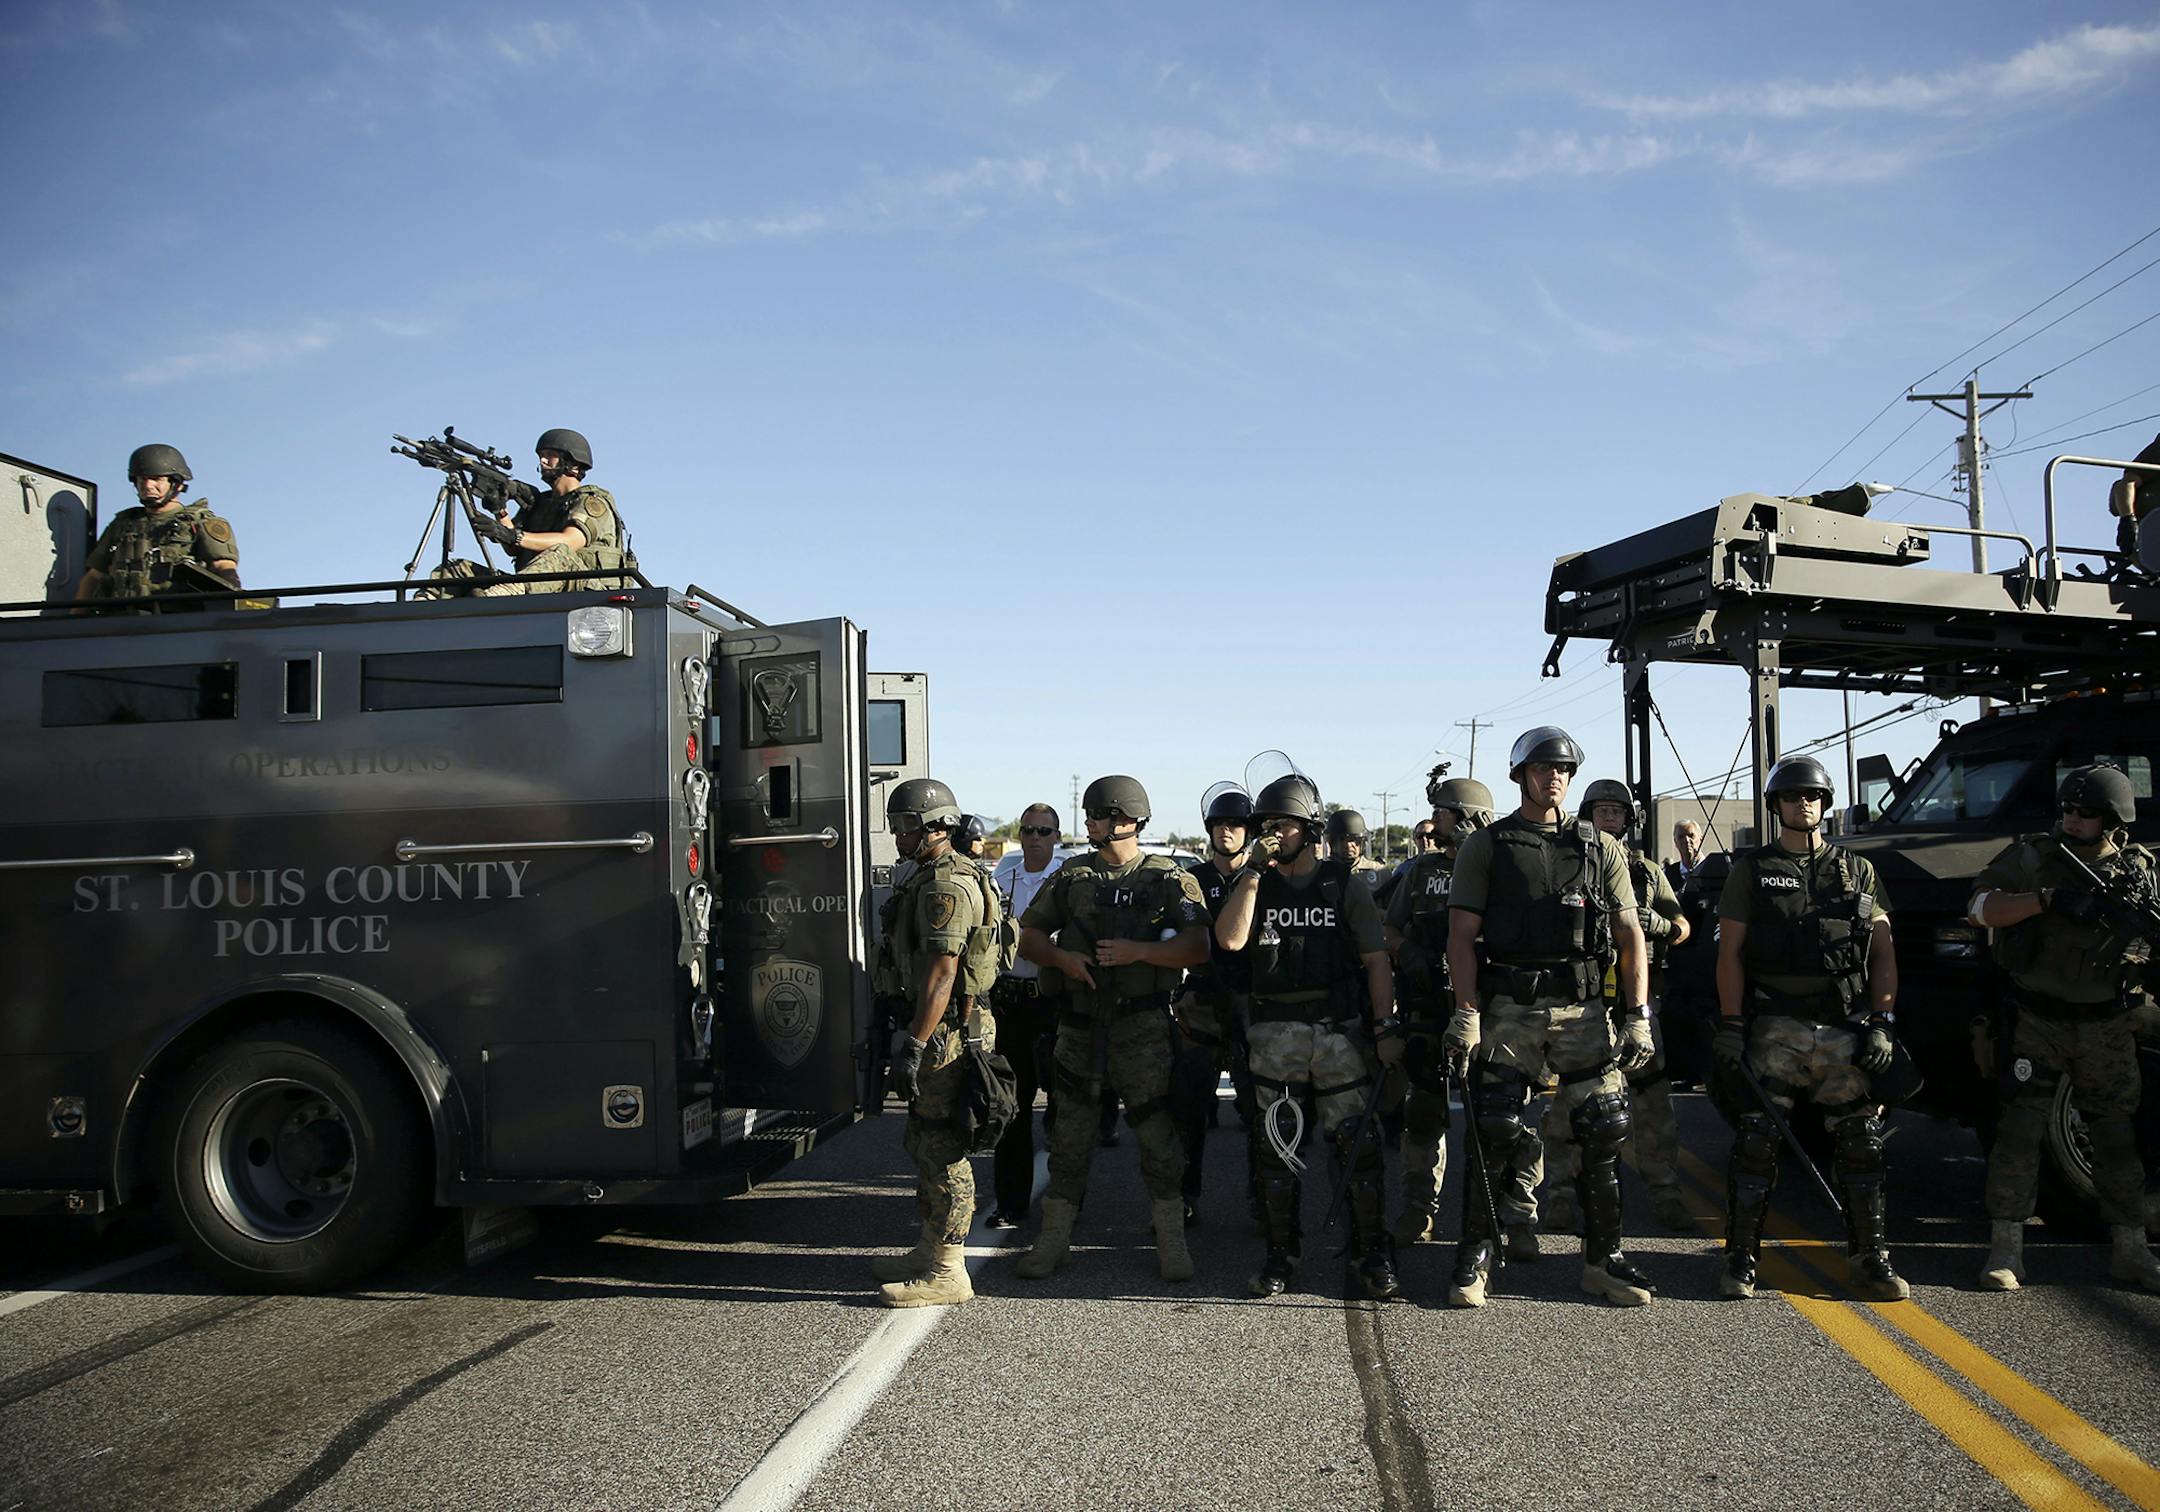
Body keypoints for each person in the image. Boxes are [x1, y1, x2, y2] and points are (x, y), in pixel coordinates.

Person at [1444, 726, 1656, 1309]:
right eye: (1543, 768)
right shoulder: (1488, 845)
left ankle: (1602, 1260)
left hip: (1584, 1008)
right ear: (1521, 775)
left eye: (1563, 768)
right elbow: (1461, 936)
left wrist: (1637, 1014)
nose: (1554, 776)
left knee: (1606, 1128)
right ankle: (1477, 1253)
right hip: (1511, 1007)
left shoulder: (1600, 848)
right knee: (1492, 1128)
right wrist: (1466, 1014)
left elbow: (1629, 933)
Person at [1714, 754, 1907, 1302]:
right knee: (1757, 1142)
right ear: (1776, 805)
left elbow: (1884, 951)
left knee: (1862, 1144)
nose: (1806, 804)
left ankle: (1870, 1259)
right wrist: (1731, 1022)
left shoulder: (1857, 870)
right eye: (1794, 796)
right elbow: (1729, 953)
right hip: (1775, 1024)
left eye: (1815, 797)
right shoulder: (1751, 871)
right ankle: (1741, 1258)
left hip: (1842, 1025)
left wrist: (1882, 1020)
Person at [1968, 764, 2160, 1293]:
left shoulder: (2140, 871)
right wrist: (2046, 899)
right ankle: (2006, 1250)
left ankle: (2130, 1249)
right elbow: (1980, 907)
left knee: (2117, 1138)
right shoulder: (2035, 857)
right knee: (2019, 1134)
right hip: (2038, 1020)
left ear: (2115, 819)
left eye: (2086, 812)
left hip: (2108, 1025)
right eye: (2068, 809)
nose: (2073, 819)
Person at [1014, 776, 1211, 1283]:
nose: (1089, 824)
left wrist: (1138, 952)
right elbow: (1027, 936)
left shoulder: (1170, 879)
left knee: (1156, 1135)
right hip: (1079, 1027)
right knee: (1068, 1136)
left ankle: (1171, 1239)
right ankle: (1054, 1241)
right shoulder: (1073, 877)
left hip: (1142, 1026)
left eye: (1097, 815)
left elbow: (1198, 948)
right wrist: (1063, 958)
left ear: (1125, 820)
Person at [1216, 772, 1404, 1300]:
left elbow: (1375, 960)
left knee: (1357, 1147)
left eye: (1285, 825)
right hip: (1274, 1035)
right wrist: (1251, 874)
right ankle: (1281, 1254)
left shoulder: (1341, 883)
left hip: (1337, 1033)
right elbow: (1230, 941)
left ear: (1309, 828)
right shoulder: (1254, 882)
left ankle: (1371, 1251)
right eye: (1266, 826)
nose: (1274, 834)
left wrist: (1386, 1024)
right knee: (1277, 1148)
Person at [1537, 780, 1694, 1232]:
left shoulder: (1647, 872)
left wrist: (1657, 924)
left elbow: (1683, 927)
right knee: (1570, 1103)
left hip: (1636, 1003)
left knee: (1652, 1103)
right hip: (1583, 1004)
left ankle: (1665, 1194)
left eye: (1616, 812)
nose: (1609, 819)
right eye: (1601, 811)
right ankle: (1562, 1195)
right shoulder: (1570, 863)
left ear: (1630, 820)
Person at [868, 777, 1001, 1308]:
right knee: (923, 1141)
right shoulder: (925, 876)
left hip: (947, 1031)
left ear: (936, 828)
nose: (898, 835)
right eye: (897, 825)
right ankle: (928, 1250)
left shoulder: (946, 884)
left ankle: (950, 1269)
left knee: (945, 1148)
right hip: (934, 1026)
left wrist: (916, 1042)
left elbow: (944, 974)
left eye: (906, 826)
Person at [1382, 773, 1494, 1246]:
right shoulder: (1420, 872)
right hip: (1425, 1007)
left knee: (1499, 1117)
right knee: (1424, 1111)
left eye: (1444, 813)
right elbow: (1386, 929)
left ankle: (1508, 1213)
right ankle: (1417, 1207)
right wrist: (1406, 951)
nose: (1435, 821)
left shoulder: (1499, 864)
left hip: (1484, 1011)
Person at [1176, 785, 1260, 1225]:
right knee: (1189, 1110)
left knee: (1260, 1110)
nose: (1226, 831)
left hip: (1252, 1003)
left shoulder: (1265, 877)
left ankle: (1262, 1199)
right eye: (1219, 824)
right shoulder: (1193, 880)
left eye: (1236, 824)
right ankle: (1183, 1199)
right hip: (1202, 1003)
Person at [985, 804, 1066, 1230]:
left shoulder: (1071, 876)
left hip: (1054, 1001)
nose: (1035, 837)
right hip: (1013, 1001)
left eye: (1043, 831)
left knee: (1063, 1108)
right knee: (1012, 1107)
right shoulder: (1002, 877)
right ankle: (1011, 1203)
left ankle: (1065, 1207)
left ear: (1056, 835)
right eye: (1028, 830)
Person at [429, 429, 634, 595]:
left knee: (559, 551)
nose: (543, 462)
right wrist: (500, 513)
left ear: (572, 461)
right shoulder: (542, 503)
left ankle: (501, 597)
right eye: (541, 457)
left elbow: (570, 541)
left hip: (587, 590)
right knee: (456, 570)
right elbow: (513, 549)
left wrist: (514, 535)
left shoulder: (593, 501)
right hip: (532, 584)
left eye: (550, 456)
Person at [76, 445, 241, 606]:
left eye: (156, 479)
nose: (147, 486)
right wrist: (74, 620)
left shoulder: (202, 523)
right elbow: (94, 576)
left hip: (178, 621)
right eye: (142, 479)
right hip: (122, 620)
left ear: (177, 484)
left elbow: (224, 569)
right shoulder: (122, 524)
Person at [1327, 810, 1386, 891]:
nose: (1348, 845)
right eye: (1342, 839)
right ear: (1332, 842)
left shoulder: (1379, 872)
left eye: (1354, 839)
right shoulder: (1319, 872)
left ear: (1362, 842)